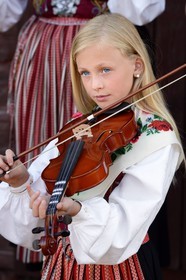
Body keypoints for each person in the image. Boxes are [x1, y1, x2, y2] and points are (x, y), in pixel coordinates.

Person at [0, 12, 184, 279]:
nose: (95, 85)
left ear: (137, 66)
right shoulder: (80, 126)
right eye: (85, 73)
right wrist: (21, 182)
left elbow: (124, 226)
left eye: (105, 70)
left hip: (121, 268)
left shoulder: (156, 137)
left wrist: (77, 210)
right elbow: (40, 199)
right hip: (62, 263)